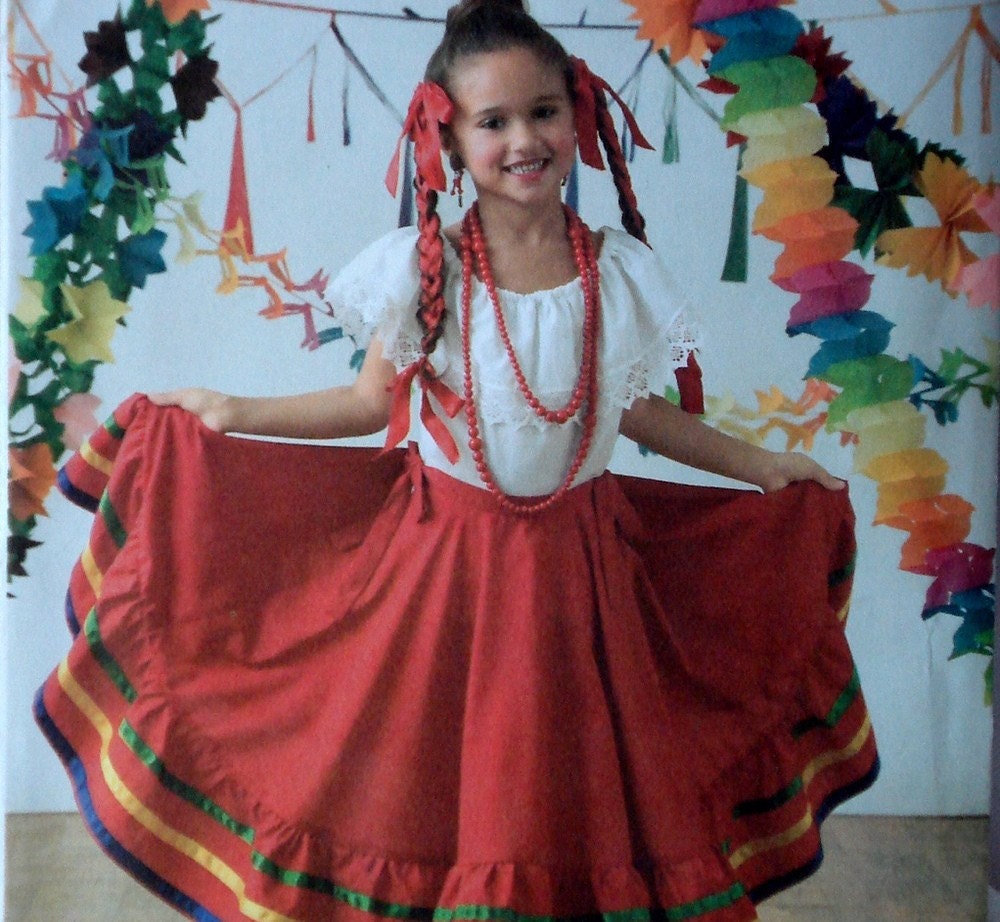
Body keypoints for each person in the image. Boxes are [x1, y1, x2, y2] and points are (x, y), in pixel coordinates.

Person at [38, 2, 878, 920]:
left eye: (543, 112)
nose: (524, 140)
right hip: (442, 579)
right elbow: (368, 405)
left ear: (578, 115)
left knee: (562, 794)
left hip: (583, 585)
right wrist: (233, 411)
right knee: (434, 791)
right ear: (447, 137)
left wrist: (761, 465)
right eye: (493, 121)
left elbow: (636, 413)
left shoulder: (617, 271)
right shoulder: (423, 267)